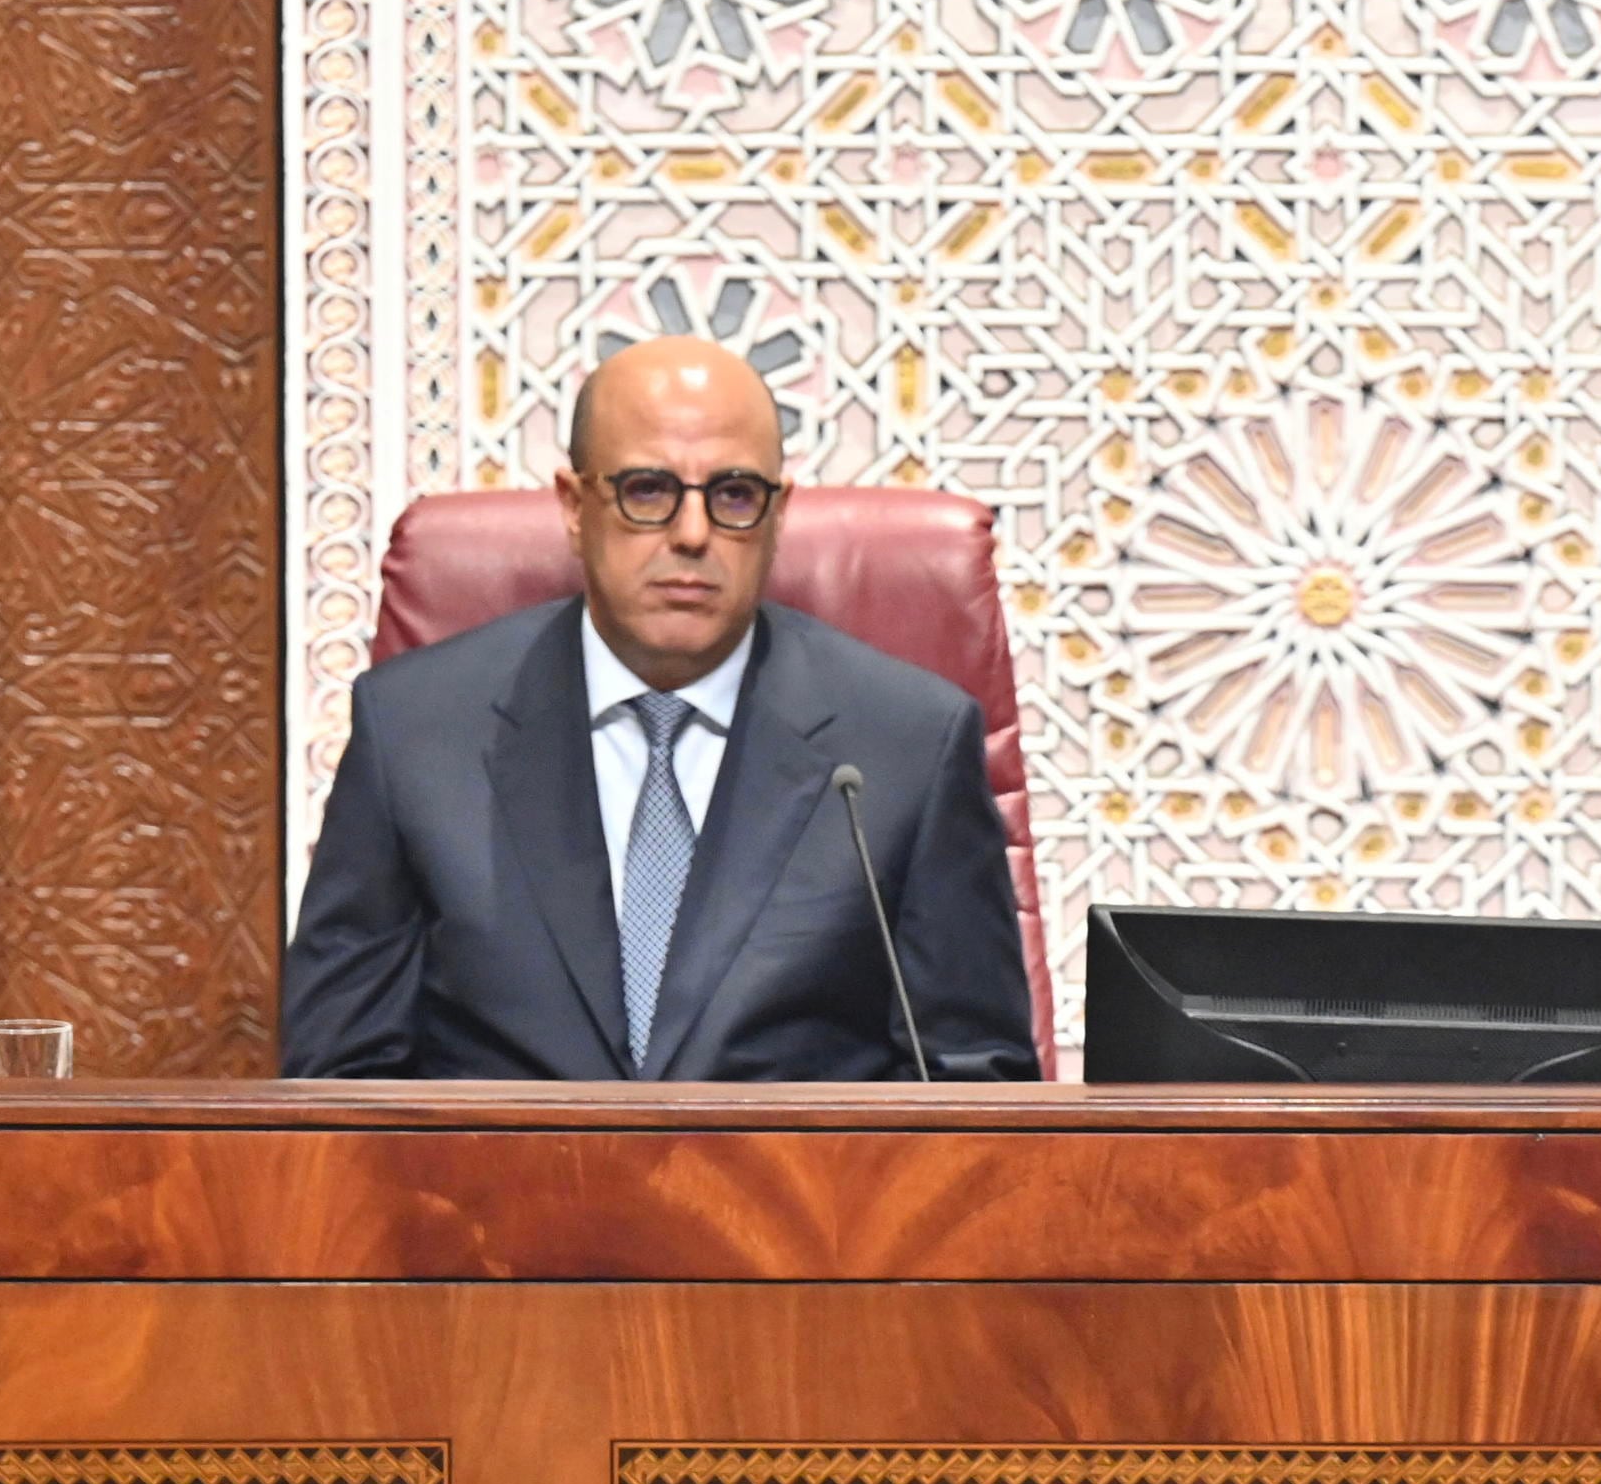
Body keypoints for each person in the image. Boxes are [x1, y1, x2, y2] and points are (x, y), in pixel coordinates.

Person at [280, 337, 1040, 1080]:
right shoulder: (414, 733)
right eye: (648, 490)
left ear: (777, 516)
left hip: (802, 1204)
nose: (692, 534)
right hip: (493, 1203)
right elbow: (335, 1087)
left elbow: (974, 1098)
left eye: (734, 495)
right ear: (575, 506)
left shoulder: (907, 745)